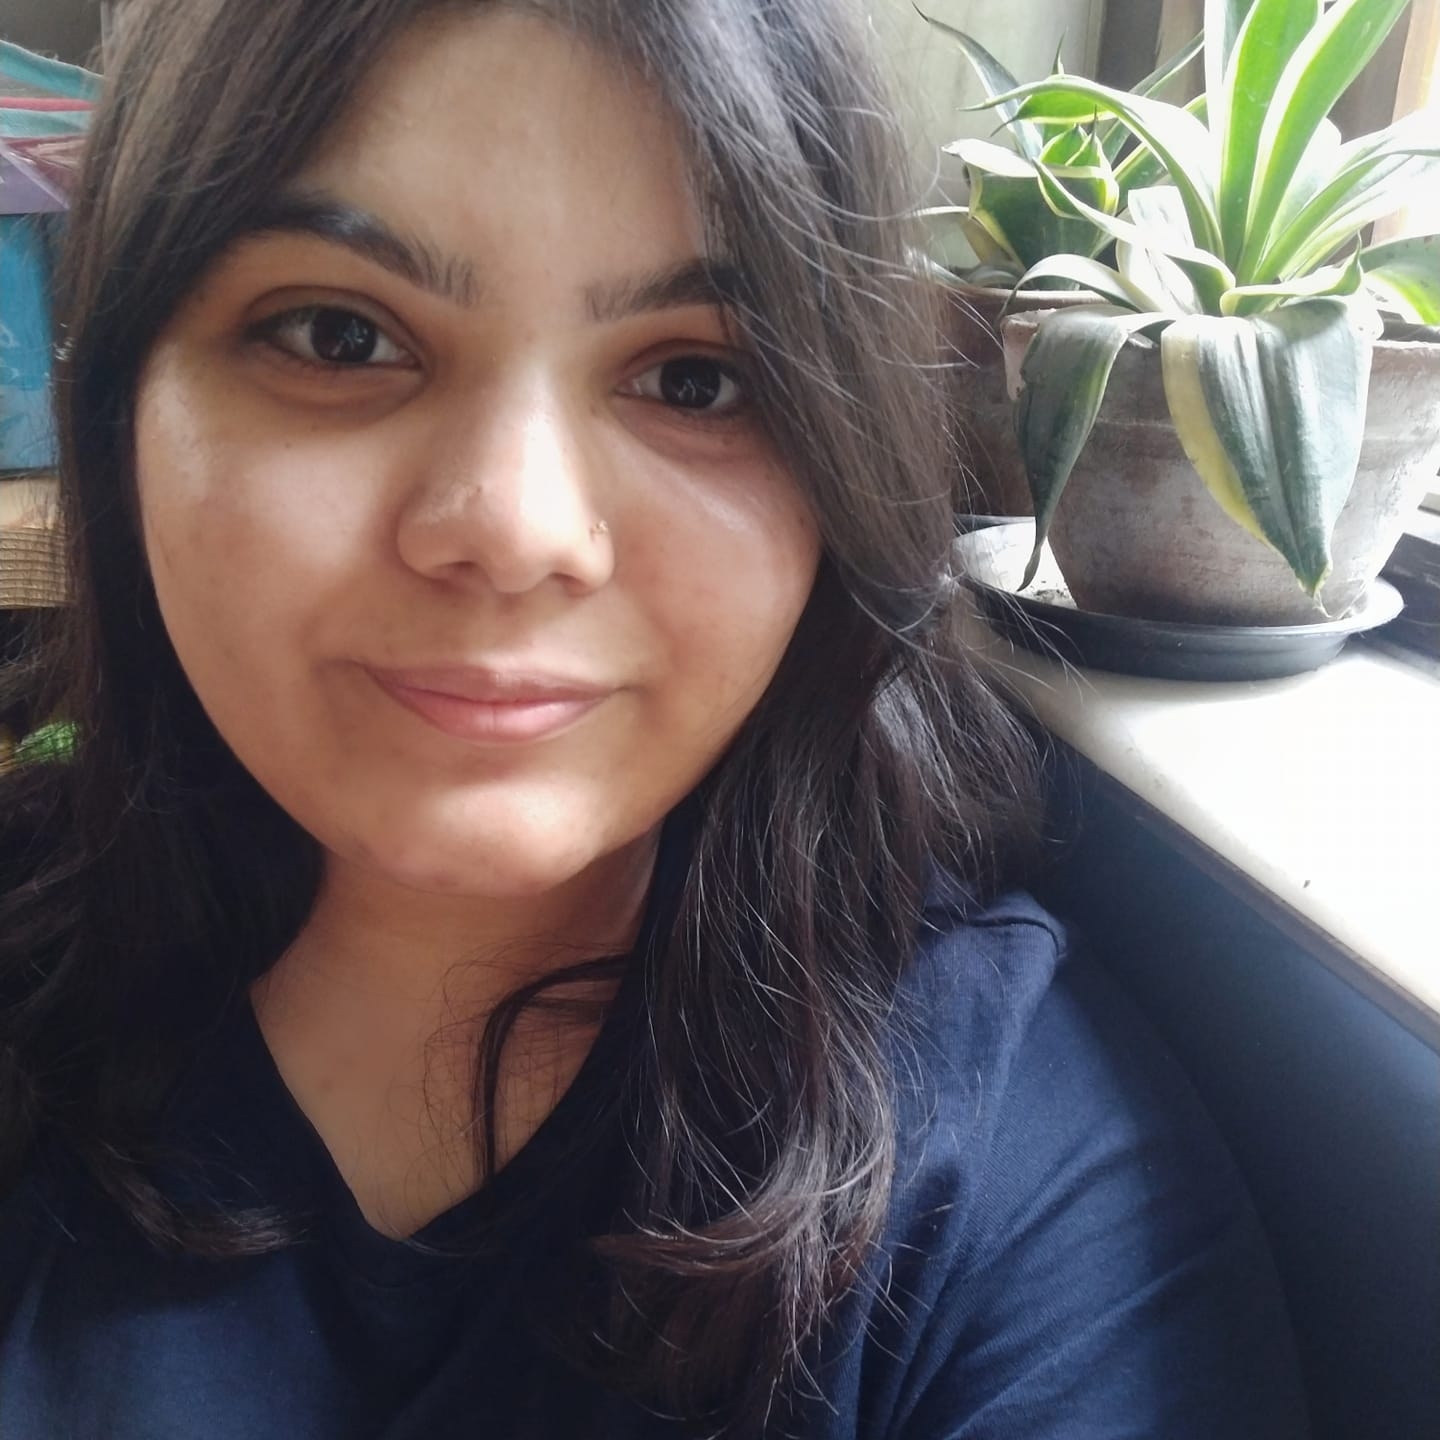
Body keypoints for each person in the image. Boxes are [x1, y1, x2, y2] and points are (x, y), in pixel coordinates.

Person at [0, 1, 1310, 1435]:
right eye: (340, 335)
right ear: (121, 405)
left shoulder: (1022, 1204)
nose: (515, 529)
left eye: (697, 379)